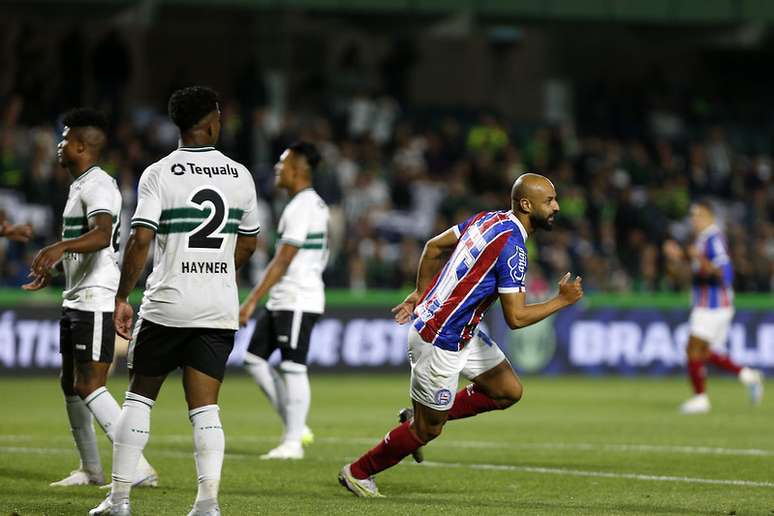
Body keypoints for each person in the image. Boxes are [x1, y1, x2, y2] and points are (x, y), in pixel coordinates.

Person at [338, 173, 584, 497]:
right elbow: (516, 317)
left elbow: (433, 246)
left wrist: (422, 293)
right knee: (428, 430)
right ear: (526, 204)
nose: (557, 206)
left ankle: (420, 413)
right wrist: (561, 301)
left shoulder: (488, 219)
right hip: (440, 341)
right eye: (549, 200)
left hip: (459, 332)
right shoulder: (513, 249)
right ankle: (359, 472)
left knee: (507, 390)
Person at [90, 86, 259, 516]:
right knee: (205, 408)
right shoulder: (240, 175)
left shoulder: (159, 173)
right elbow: (250, 243)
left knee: (138, 399)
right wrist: (220, 272)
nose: (222, 121)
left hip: (167, 303)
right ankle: (207, 504)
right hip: (217, 308)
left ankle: (120, 500)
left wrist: (122, 296)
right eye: (219, 115)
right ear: (207, 121)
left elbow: (141, 237)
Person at [22, 108, 157, 488]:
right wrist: (55, 267)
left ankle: (138, 465)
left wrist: (59, 247)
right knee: (71, 382)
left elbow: (102, 234)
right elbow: (86, 246)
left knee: (89, 383)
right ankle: (91, 469)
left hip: (97, 297)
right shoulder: (80, 185)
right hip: (77, 296)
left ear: (81, 145)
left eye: (64, 139)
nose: (59, 145)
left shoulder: (99, 185)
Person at [239, 141, 329, 460]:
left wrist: (250, 301)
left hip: (297, 298)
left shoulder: (303, 206)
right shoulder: (308, 205)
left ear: (297, 169)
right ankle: (296, 425)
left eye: (281, 164)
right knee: (254, 360)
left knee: (293, 368)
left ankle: (292, 442)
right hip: (286, 298)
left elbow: (284, 259)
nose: (277, 170)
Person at [663, 201, 764, 414]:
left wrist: (696, 257)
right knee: (705, 352)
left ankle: (700, 399)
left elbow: (725, 273)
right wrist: (678, 256)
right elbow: (694, 269)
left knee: (693, 348)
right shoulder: (701, 240)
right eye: (693, 216)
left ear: (710, 217)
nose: (694, 220)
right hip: (709, 304)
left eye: (699, 215)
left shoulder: (713, 239)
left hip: (713, 304)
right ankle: (749, 376)